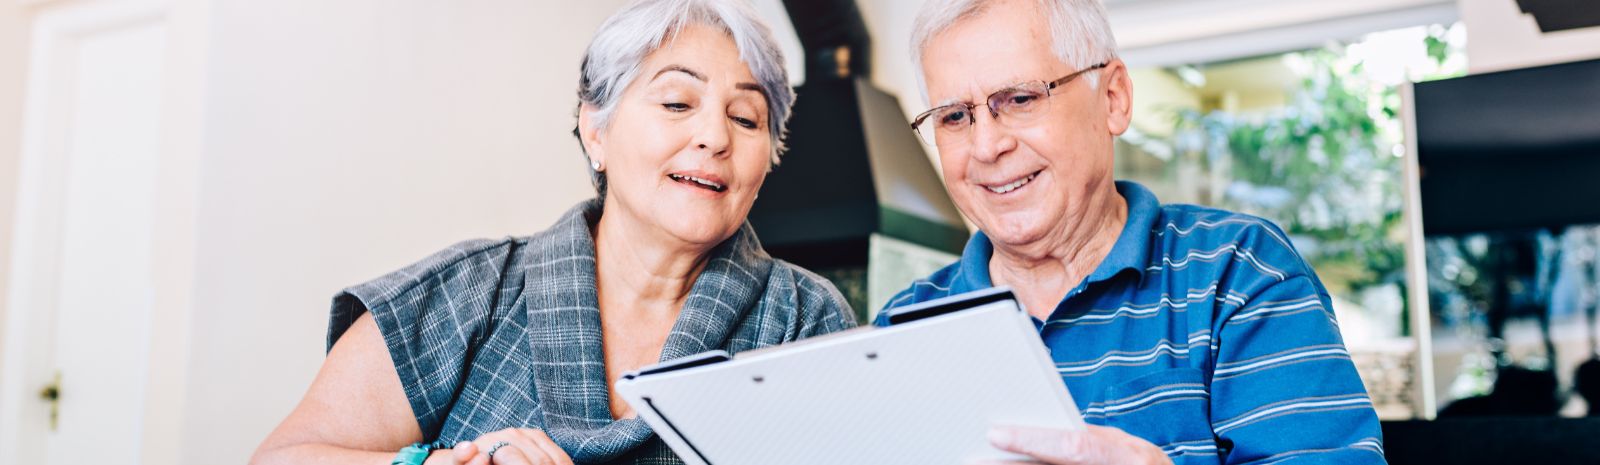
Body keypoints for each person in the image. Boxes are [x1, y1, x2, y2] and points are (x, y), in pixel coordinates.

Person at [251, 1, 855, 464]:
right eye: (677, 103)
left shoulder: (806, 323)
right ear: (597, 132)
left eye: (746, 118)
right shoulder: (467, 291)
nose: (715, 138)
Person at [883, 0, 1385, 463]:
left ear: (1114, 98)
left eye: (1018, 98)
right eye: (953, 116)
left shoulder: (1240, 271)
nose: (987, 146)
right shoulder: (902, 330)